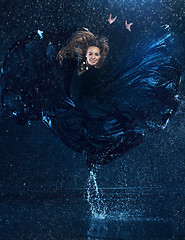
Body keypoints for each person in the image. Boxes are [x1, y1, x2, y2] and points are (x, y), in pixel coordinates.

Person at [0, 14, 182, 168]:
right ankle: (101, 150)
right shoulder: (74, 60)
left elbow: (106, 46)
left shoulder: (89, 58)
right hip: (80, 95)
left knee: (105, 117)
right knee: (97, 118)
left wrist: (118, 29)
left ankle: (103, 149)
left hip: (86, 93)